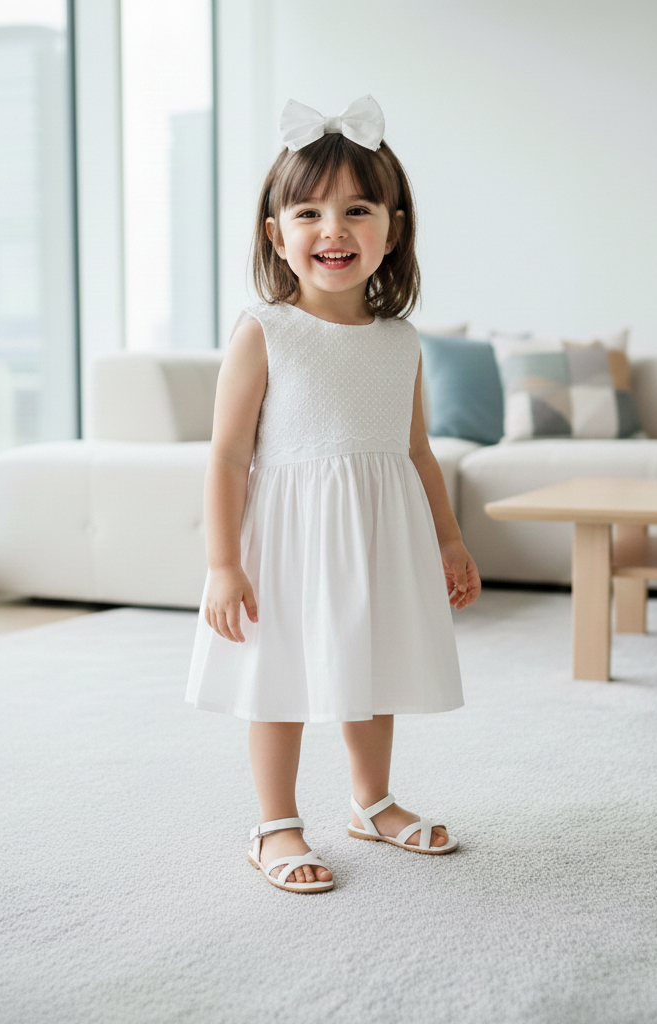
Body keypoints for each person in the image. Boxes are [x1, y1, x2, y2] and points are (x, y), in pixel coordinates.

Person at [186, 96, 481, 893]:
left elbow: (417, 451)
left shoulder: (402, 342)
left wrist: (451, 540)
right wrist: (221, 562)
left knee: (371, 666)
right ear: (277, 236)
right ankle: (275, 822)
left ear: (393, 227)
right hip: (287, 536)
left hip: (378, 537)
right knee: (279, 678)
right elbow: (225, 455)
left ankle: (371, 801)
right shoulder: (266, 330)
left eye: (357, 209)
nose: (334, 229)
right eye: (309, 212)